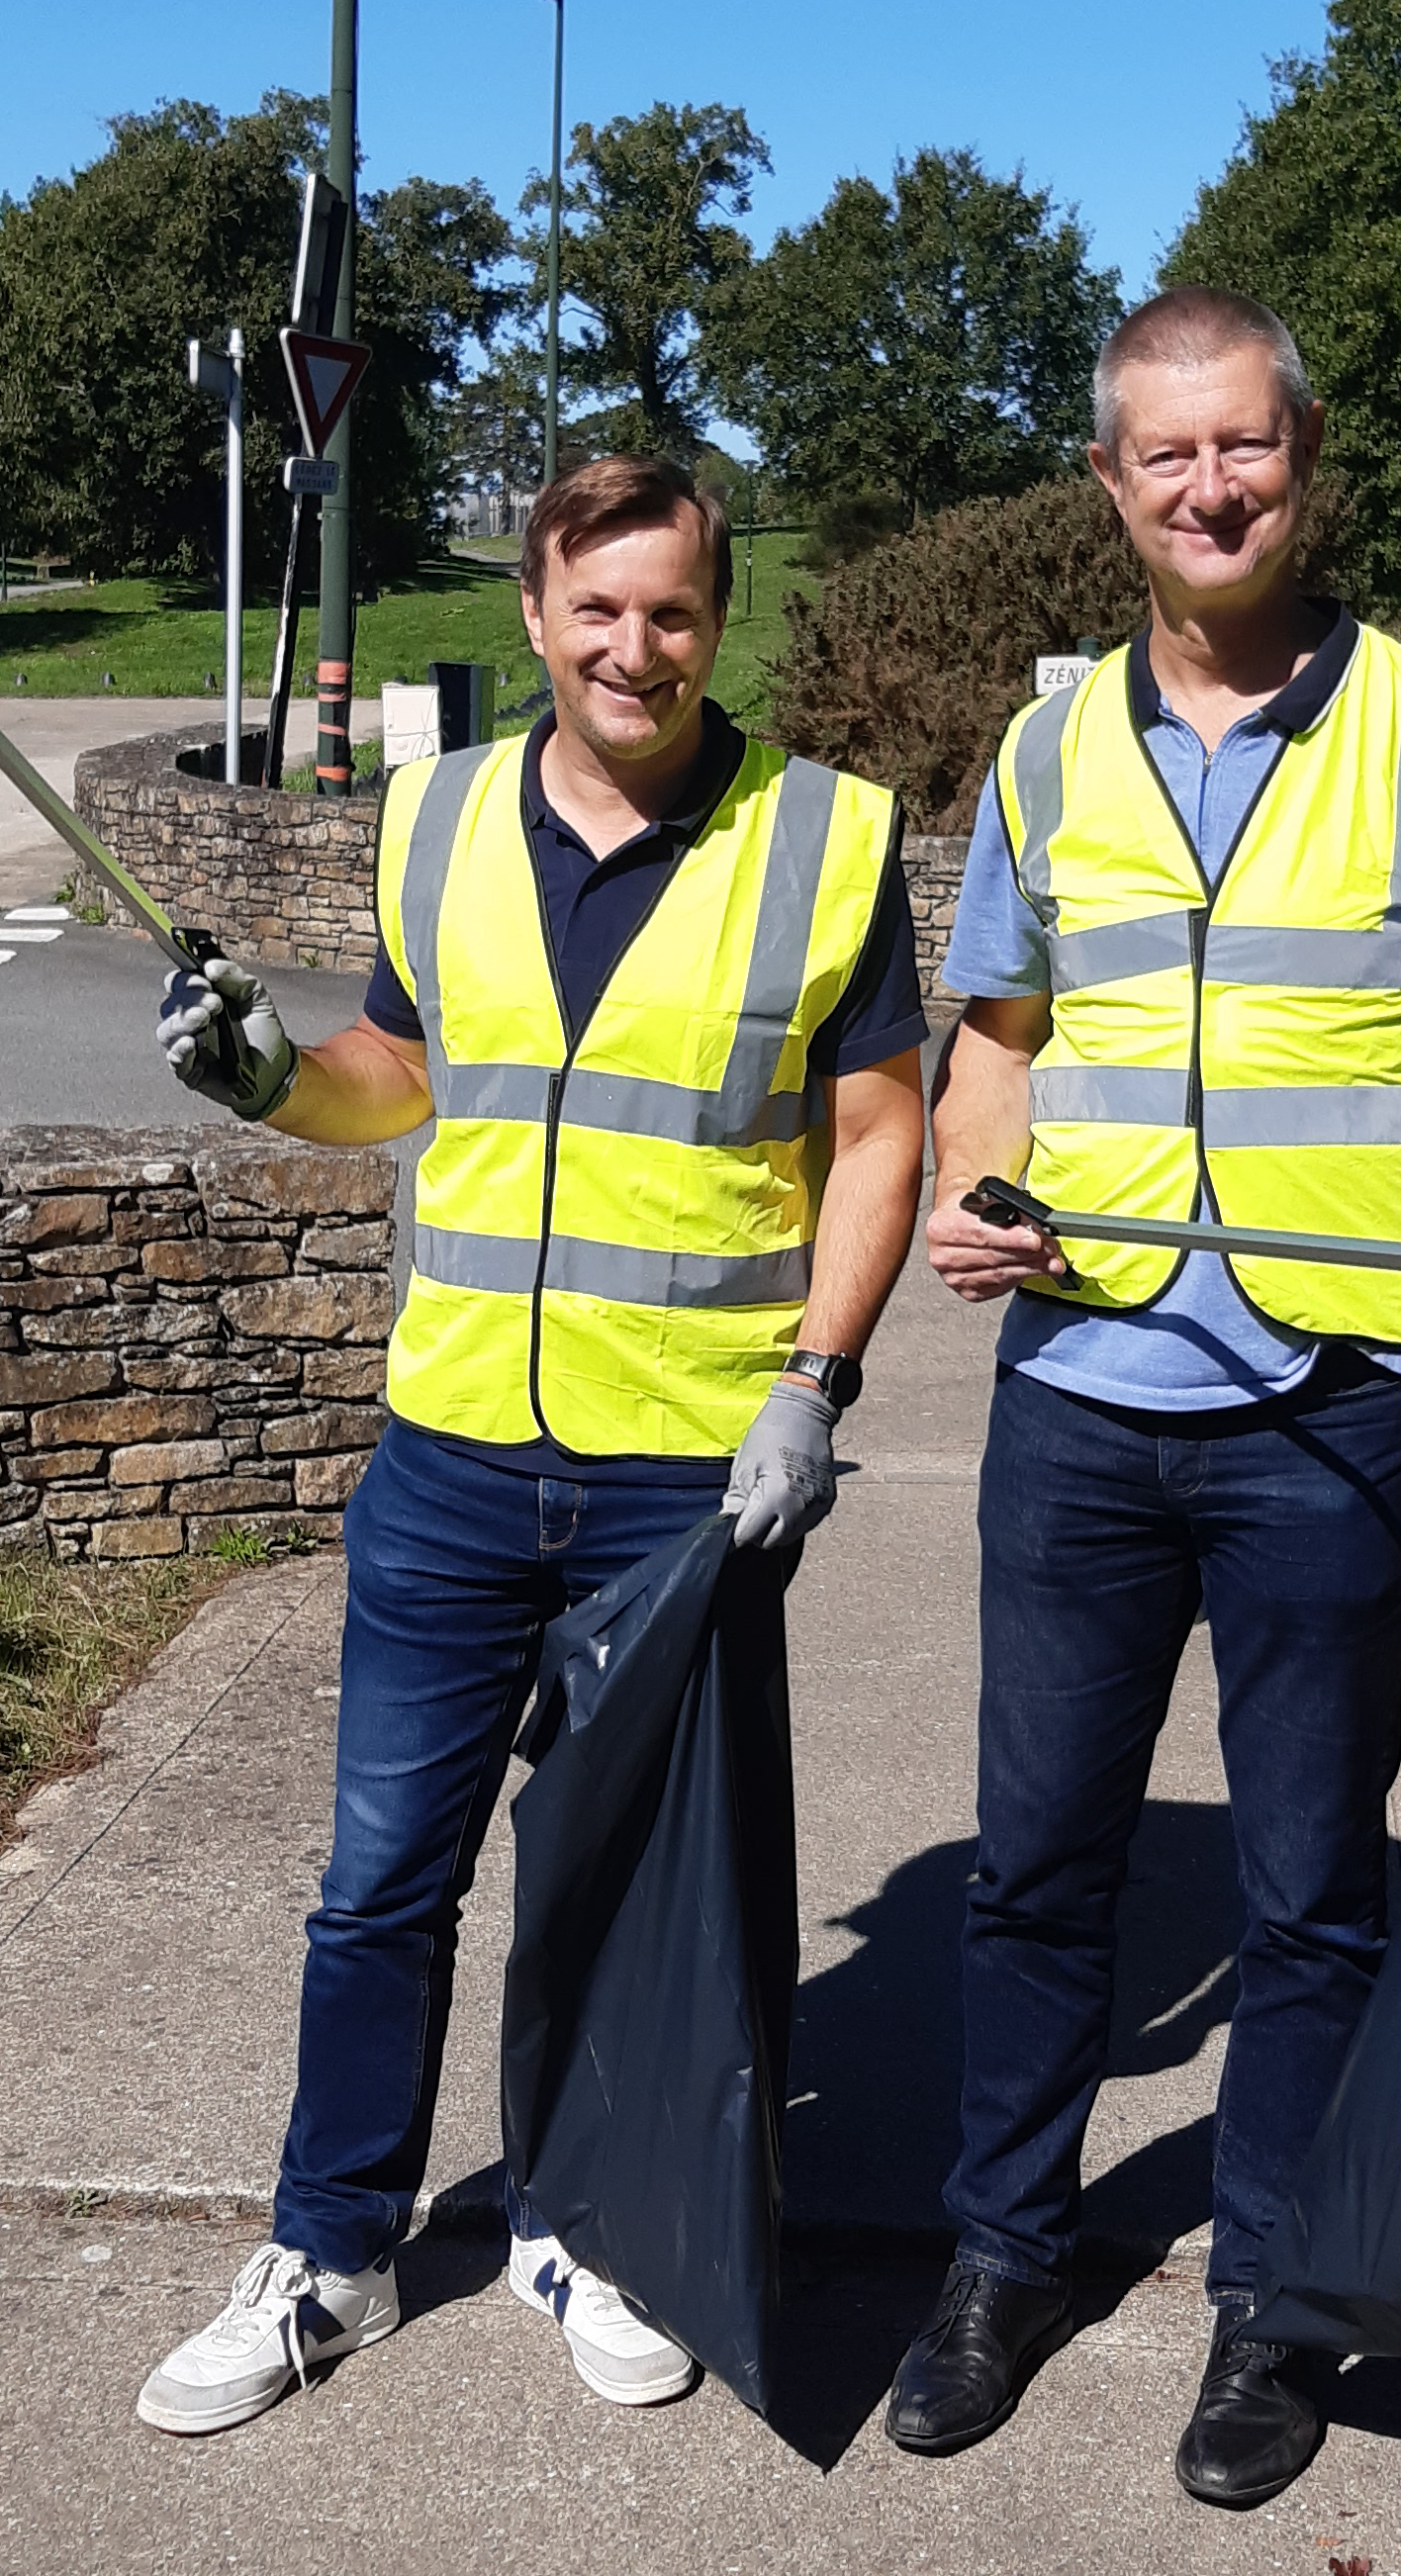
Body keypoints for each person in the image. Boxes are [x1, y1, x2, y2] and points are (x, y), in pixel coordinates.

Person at [885, 288, 1401, 2508]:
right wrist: (972, 1183)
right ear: (1111, 488)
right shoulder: (1048, 753)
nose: (1209, 488)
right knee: (1036, 1868)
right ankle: (1001, 2252)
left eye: (1246, 449)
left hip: (1329, 1396)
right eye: (1165, 457)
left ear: (1299, 464)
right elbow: (1002, 1032)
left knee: (1314, 1887)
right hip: (1083, 1393)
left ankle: (1276, 2300)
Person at [135, 455, 926, 2435]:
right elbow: (398, 1070)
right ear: (536, 616)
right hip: (458, 1449)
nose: (632, 647)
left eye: (669, 611)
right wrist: (263, 1075)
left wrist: (814, 1385)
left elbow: (887, 1134)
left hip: (691, 1482)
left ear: (713, 616)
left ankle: (592, 2219)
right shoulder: (441, 817)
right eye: (597, 610)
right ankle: (330, 2251)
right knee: (379, 1880)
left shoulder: (823, 837)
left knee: (628, 1891)